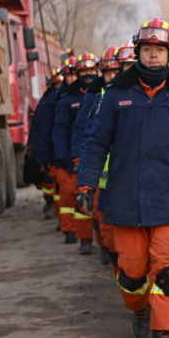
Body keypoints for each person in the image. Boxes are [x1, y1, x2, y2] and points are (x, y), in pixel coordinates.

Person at [75, 19, 169, 338]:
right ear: (138, 52)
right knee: (133, 276)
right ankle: (139, 311)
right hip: (125, 201)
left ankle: (164, 337)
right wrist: (86, 184)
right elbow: (96, 144)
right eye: (148, 50)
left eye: (160, 51)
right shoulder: (117, 95)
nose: (154, 56)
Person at [71, 46, 120, 260]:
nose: (111, 76)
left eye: (115, 72)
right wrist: (79, 159)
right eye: (107, 72)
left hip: (123, 165)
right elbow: (83, 128)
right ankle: (104, 246)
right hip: (101, 165)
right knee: (100, 212)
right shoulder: (95, 96)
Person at [54, 53, 98, 246]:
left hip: (101, 157)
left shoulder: (107, 95)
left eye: (91, 70)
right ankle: (84, 239)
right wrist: (63, 158)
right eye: (83, 71)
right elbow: (60, 131)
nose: (88, 75)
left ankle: (104, 243)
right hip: (76, 158)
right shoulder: (65, 100)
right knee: (75, 196)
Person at [37, 64, 66, 231]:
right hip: (57, 155)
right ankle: (63, 222)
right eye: (56, 85)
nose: (59, 89)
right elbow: (43, 130)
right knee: (60, 189)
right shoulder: (48, 103)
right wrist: (42, 154)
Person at [29, 70, 62, 219]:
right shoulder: (45, 104)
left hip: (61, 149)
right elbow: (37, 126)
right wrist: (33, 146)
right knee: (48, 181)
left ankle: (58, 209)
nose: (59, 87)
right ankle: (50, 204)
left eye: (60, 83)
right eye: (56, 84)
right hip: (48, 149)